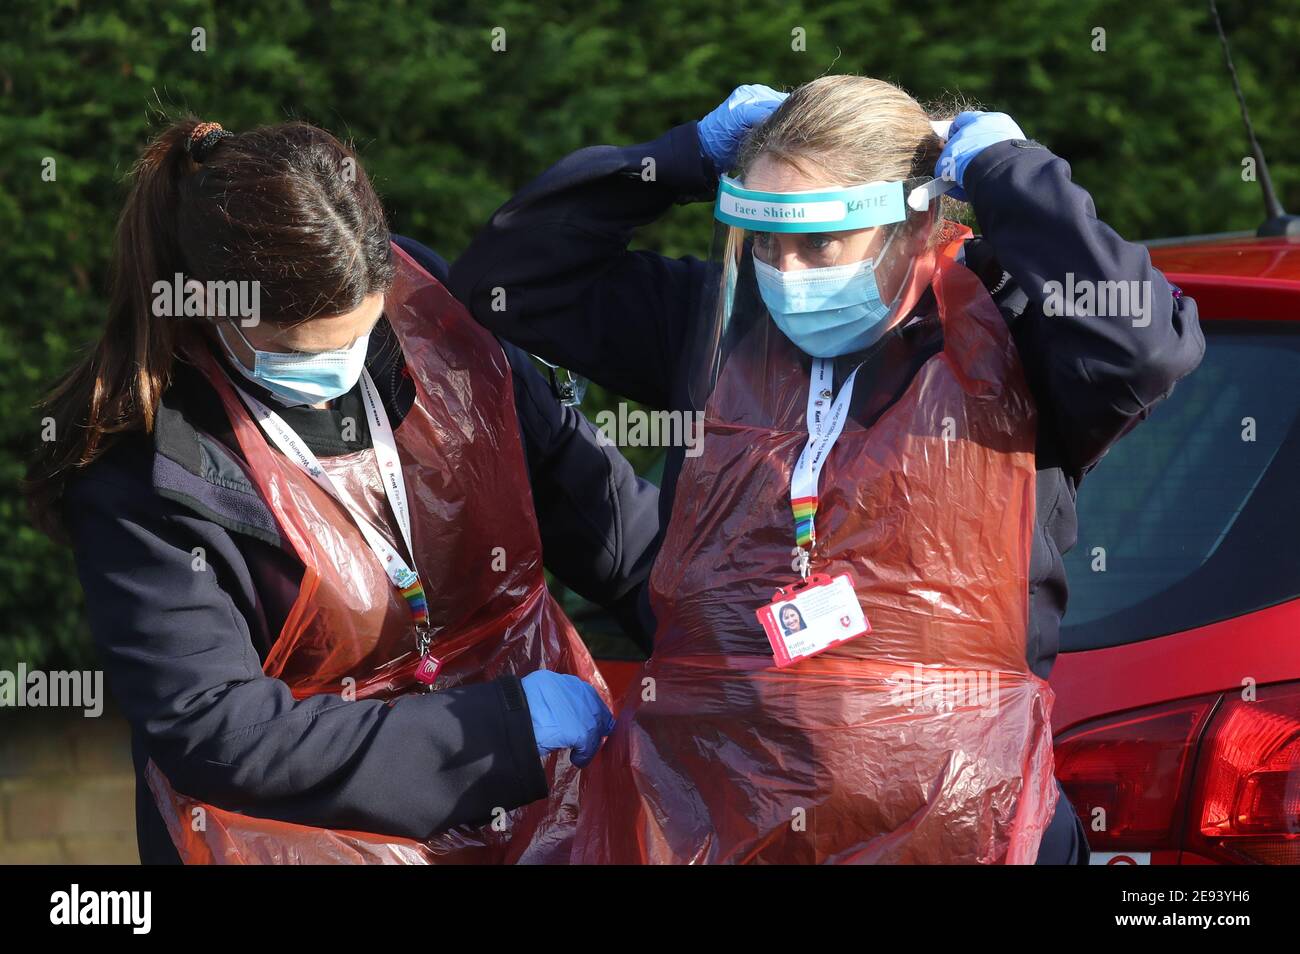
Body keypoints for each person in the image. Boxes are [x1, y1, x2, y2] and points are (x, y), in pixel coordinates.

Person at [449, 77, 1206, 864]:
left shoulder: (1014, 341)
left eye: (819, 243)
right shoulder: (721, 326)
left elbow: (1143, 347)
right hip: (721, 816)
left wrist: (1009, 171)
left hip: (964, 825)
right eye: (765, 240)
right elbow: (508, 279)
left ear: (913, 224)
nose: (786, 271)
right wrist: (683, 156)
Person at [25, 119, 659, 864]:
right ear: (209, 304)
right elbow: (220, 732)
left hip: (538, 801)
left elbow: (588, 500)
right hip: (300, 833)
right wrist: (497, 732)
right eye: (301, 351)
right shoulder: (145, 471)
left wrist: (712, 631)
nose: (337, 379)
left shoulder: (430, 319)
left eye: (357, 336)